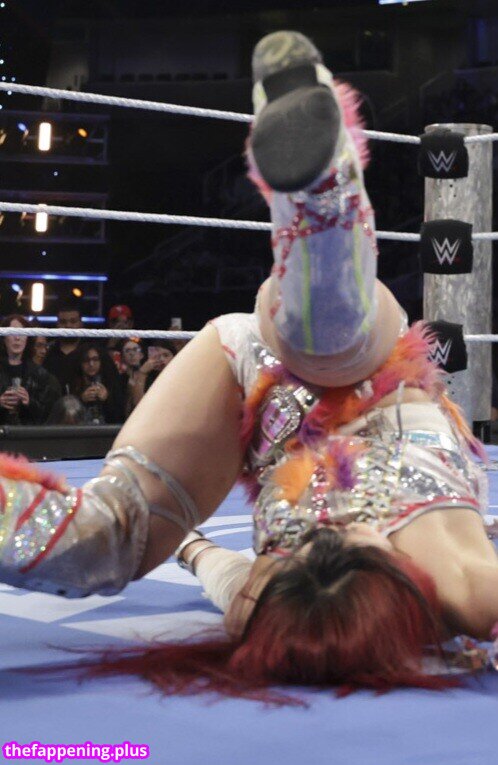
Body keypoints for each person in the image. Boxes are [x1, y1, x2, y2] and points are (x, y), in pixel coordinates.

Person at [0, 32, 496, 703]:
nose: (330, 531)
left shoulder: (268, 608)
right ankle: (320, 200)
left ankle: (319, 214)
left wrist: (190, 547)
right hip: (363, 371)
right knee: (331, 350)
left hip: (252, 381)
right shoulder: (468, 585)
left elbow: (230, 579)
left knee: (108, 540)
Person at [0, 314, 62, 425]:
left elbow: (50, 413)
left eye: (21, 333)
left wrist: (29, 402)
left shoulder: (41, 374)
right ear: (4, 338)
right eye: (12, 332)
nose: (17, 338)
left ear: (27, 338)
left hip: (29, 432)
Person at [70, 342, 124, 424]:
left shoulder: (111, 381)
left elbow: (120, 416)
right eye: (86, 360)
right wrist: (80, 400)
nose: (91, 364)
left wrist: (107, 399)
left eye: (95, 359)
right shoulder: (72, 382)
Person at [45, 300, 84, 394]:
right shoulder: (47, 351)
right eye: (63, 322)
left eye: (73, 321)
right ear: (57, 324)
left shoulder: (90, 351)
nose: (68, 325)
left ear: (81, 324)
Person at [128, 339, 176, 409]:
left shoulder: (181, 376)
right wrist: (142, 373)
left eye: (166, 355)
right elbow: (139, 405)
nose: (161, 359)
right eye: (156, 356)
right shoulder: (143, 377)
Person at [107, 304, 134, 369]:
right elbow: (103, 365)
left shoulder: (138, 341)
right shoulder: (102, 342)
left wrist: (128, 340)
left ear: (131, 324)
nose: (121, 326)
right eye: (116, 322)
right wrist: (112, 343)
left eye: (125, 322)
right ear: (110, 324)